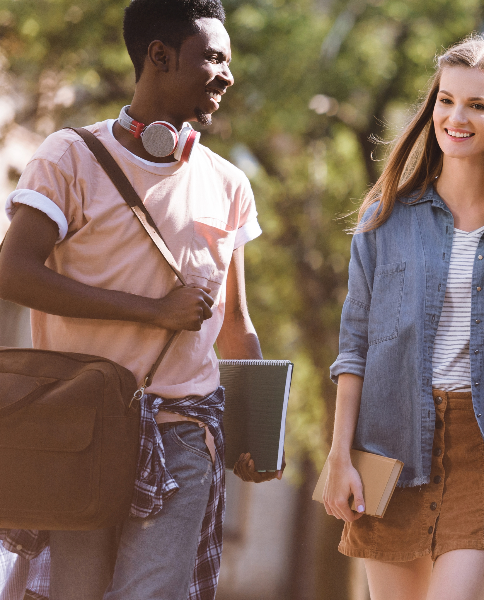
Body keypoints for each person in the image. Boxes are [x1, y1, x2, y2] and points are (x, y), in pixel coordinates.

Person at [0, 1, 278, 599]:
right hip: (80, 426)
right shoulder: (68, 158)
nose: (228, 75)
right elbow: (14, 274)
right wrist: (151, 311)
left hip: (183, 436)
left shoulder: (229, 184)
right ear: (160, 55)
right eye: (213, 58)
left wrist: (256, 430)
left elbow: (235, 322)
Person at [322, 34, 484, 600]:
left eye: (477, 105)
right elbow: (354, 345)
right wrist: (339, 457)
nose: (456, 117)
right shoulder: (384, 218)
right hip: (387, 441)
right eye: (446, 100)